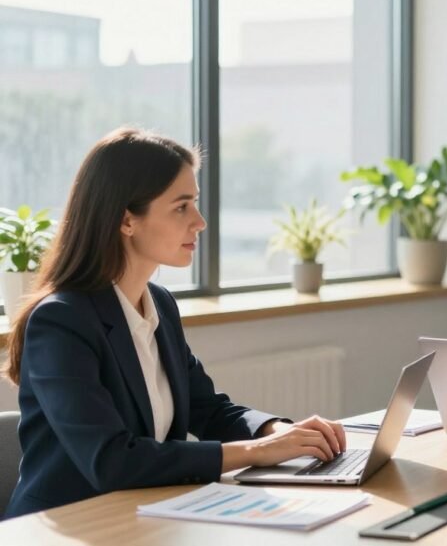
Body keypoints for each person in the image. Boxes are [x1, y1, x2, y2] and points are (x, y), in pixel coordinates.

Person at [2, 128, 346, 518]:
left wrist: (277, 431)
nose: (199, 221)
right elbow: (112, 460)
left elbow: (209, 410)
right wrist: (255, 453)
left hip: (143, 515)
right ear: (127, 220)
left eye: (195, 204)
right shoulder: (61, 322)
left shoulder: (160, 305)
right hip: (65, 526)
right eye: (181, 207)